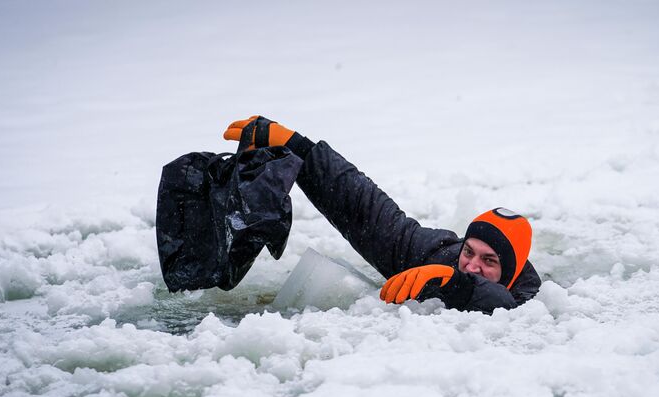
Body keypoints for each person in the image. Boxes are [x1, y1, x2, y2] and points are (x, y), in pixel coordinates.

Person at [223, 116, 541, 314]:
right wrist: (302, 151)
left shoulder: (530, 307)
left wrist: (455, 283)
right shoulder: (438, 255)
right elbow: (369, 214)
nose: (471, 264)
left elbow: (502, 304)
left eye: (489, 261)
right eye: (470, 251)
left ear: (510, 271)